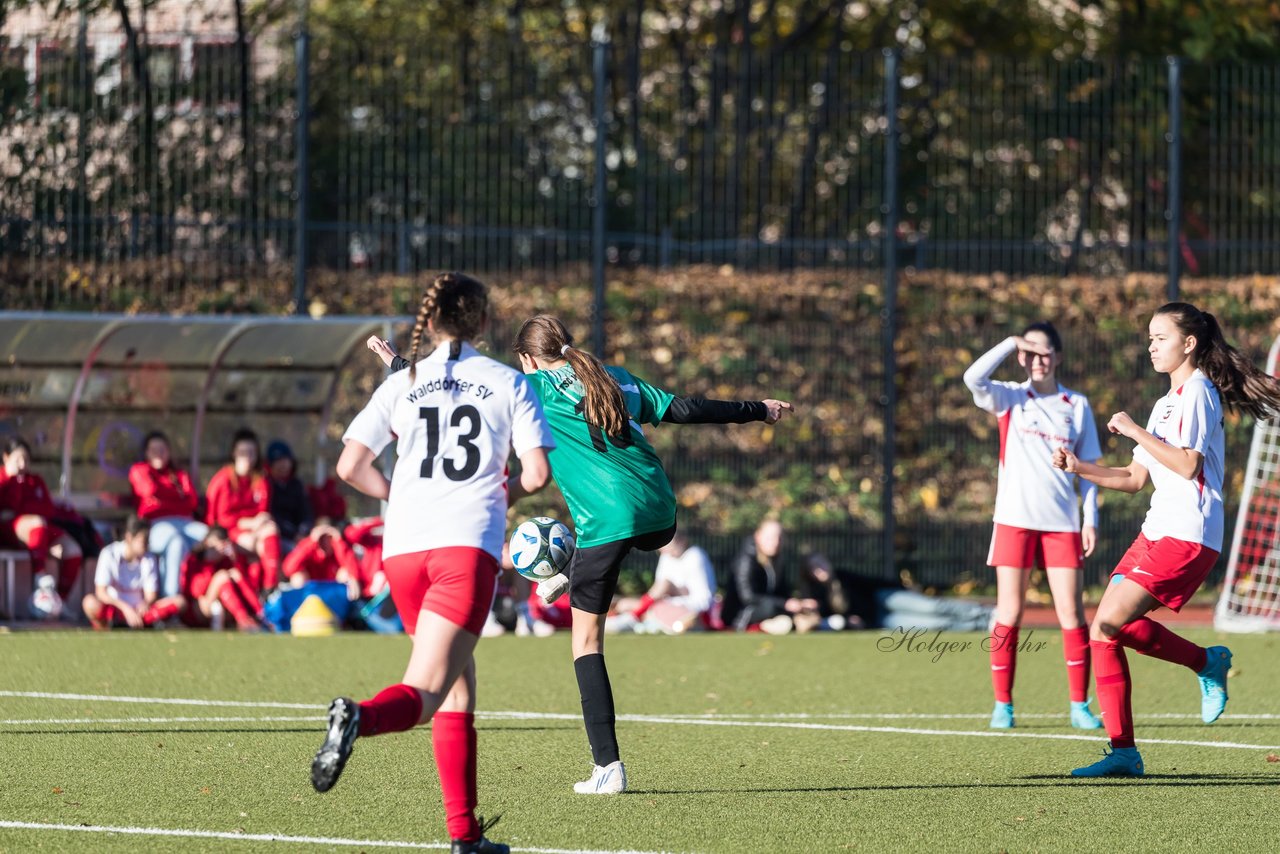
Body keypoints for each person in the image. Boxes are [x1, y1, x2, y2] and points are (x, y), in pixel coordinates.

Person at [311, 272, 554, 854]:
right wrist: (503, 493)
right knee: (424, 692)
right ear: (484, 323)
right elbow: (539, 474)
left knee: (457, 689)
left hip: (403, 552)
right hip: (462, 550)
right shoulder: (505, 382)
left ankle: (465, 837)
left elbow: (350, 468)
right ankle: (357, 718)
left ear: (433, 321)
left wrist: (402, 494)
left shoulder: (404, 383)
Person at [511, 314, 792, 794]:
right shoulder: (610, 375)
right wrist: (757, 408)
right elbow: (685, 408)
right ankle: (572, 570)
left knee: (586, 644)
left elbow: (459, 386)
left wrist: (400, 365)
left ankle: (607, 769)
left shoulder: (526, 389)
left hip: (610, 521)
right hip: (660, 512)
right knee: (606, 543)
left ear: (526, 359)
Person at [1053, 302, 1280, 777]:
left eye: (1160, 337)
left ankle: (1129, 748)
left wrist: (1134, 428)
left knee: (1105, 625)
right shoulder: (1164, 403)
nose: (1151, 346)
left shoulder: (1198, 392)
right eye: (1150, 338)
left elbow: (1188, 465)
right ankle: (1198, 672)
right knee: (1112, 628)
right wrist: (1081, 468)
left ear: (1189, 343)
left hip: (1190, 534)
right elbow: (1136, 478)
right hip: (1157, 529)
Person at [964, 322, 1104, 730]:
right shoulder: (1009, 396)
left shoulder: (1076, 404)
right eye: (1029, 353)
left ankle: (1079, 705)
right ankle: (1003, 705)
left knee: (1073, 616)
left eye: (1044, 353)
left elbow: (1090, 468)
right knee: (1009, 612)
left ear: (1058, 357)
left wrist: (1089, 519)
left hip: (1061, 524)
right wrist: (1009, 342)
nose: (1036, 361)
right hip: (1014, 521)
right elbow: (972, 377)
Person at [800, 553, 993, 632]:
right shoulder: (816, 596)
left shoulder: (843, 576)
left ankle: (988, 613)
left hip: (884, 599)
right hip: (880, 620)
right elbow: (829, 620)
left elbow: (873, 581)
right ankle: (984, 624)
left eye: (821, 563)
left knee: (933, 606)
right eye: (814, 568)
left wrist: (902, 587)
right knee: (936, 624)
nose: (820, 569)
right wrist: (851, 622)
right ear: (809, 574)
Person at [0, 437, 83, 601]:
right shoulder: (3, 480)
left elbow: (48, 509)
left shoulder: (35, 480)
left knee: (73, 550)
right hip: (9, 531)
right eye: (18, 459)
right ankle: (39, 574)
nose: (23, 464)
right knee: (37, 522)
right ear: (6, 457)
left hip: (38, 531)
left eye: (26, 459)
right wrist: (15, 484)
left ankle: (58, 601)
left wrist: (20, 510)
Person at [129, 431, 208, 599]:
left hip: (185, 523)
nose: (158, 453)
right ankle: (171, 599)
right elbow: (149, 490)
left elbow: (192, 501)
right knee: (176, 541)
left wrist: (161, 499)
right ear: (146, 453)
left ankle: (204, 595)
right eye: (153, 449)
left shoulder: (179, 475)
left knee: (210, 537)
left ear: (169, 451)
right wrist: (176, 496)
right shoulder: (140, 469)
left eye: (162, 449)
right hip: (155, 524)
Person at [204, 428, 282, 591]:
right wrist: (249, 523)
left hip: (255, 531)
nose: (247, 456)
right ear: (234, 453)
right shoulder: (223, 479)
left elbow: (263, 511)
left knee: (270, 531)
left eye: (251, 452)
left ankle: (270, 588)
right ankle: (262, 594)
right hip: (229, 532)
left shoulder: (261, 479)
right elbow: (220, 519)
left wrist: (258, 523)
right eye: (242, 452)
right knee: (255, 546)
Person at [82, 515, 185, 630]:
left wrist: (145, 603)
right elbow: (101, 592)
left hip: (140, 612)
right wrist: (125, 609)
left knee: (179, 602)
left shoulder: (148, 558)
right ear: (129, 538)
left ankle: (143, 624)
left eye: (147, 541)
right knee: (89, 602)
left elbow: (150, 595)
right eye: (142, 541)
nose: (146, 545)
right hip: (116, 609)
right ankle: (106, 626)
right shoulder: (109, 553)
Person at [608, 530, 717, 634]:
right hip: (666, 604)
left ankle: (634, 617)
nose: (663, 549)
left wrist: (671, 592)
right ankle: (632, 617)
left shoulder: (695, 555)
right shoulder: (666, 557)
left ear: (682, 540)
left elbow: (703, 601)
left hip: (691, 610)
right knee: (624, 604)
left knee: (663, 589)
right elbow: (658, 592)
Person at [727, 519, 817, 634]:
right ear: (758, 536)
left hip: (768, 608)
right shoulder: (746, 561)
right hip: (742, 614)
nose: (775, 542)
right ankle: (767, 626)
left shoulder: (777, 561)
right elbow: (748, 597)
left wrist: (798, 604)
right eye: (770, 537)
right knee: (772, 608)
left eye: (779, 538)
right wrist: (783, 604)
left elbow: (782, 593)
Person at [179, 526, 265, 631]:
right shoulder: (194, 559)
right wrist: (209, 562)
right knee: (222, 576)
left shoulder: (224, 560)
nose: (220, 549)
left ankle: (259, 614)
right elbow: (196, 591)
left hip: (222, 605)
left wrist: (234, 560)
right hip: (197, 607)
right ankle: (244, 619)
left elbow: (240, 582)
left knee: (233, 573)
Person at [282, 518, 361, 599]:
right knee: (298, 577)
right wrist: (311, 541)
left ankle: (345, 605)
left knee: (346, 573)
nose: (325, 542)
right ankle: (299, 606)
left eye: (329, 538)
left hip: (332, 595)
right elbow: (288, 569)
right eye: (322, 538)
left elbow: (351, 563)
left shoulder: (338, 549)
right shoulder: (308, 547)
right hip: (310, 595)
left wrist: (338, 541)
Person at [266, 439, 314, 545]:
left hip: (300, 536)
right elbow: (271, 515)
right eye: (278, 461)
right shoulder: (266, 485)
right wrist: (293, 534)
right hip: (279, 536)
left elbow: (306, 513)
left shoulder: (296, 484)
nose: (283, 465)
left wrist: (303, 531)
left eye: (286, 460)